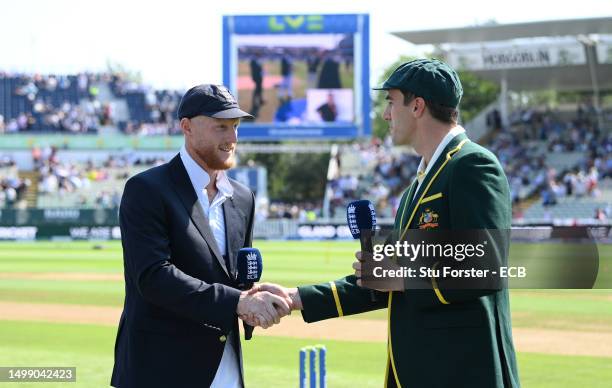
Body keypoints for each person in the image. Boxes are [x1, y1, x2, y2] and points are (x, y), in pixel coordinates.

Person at [253, 59, 521, 387]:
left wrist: (401, 277)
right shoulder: (416, 188)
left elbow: (486, 268)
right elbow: (383, 282)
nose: (386, 114)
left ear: (418, 106)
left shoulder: (472, 164)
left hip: (461, 371)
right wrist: (296, 297)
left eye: (391, 102)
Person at [111, 84, 291, 388]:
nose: (232, 138)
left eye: (235, 127)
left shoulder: (243, 197)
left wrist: (252, 294)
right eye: (221, 127)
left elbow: (229, 282)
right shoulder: (147, 189)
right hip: (160, 371)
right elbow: (154, 277)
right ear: (187, 127)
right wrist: (237, 301)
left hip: (227, 372)